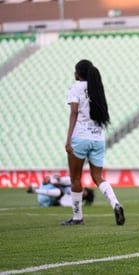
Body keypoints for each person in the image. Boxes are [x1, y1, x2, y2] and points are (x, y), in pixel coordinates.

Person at [63, 59, 125, 226]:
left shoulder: (75, 89)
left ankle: (77, 218)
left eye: (75, 71)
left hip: (80, 138)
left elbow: (74, 112)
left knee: (75, 178)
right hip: (98, 138)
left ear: (79, 73)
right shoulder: (97, 88)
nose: (74, 73)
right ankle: (115, 204)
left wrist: (69, 139)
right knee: (98, 177)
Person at [27, 175, 95, 207]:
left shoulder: (75, 202)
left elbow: (61, 203)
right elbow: (58, 179)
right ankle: (39, 188)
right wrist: (54, 181)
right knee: (59, 185)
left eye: (82, 194)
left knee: (60, 192)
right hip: (45, 188)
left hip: (46, 201)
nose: (81, 192)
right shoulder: (72, 182)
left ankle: (34, 191)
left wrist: (62, 196)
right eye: (83, 190)